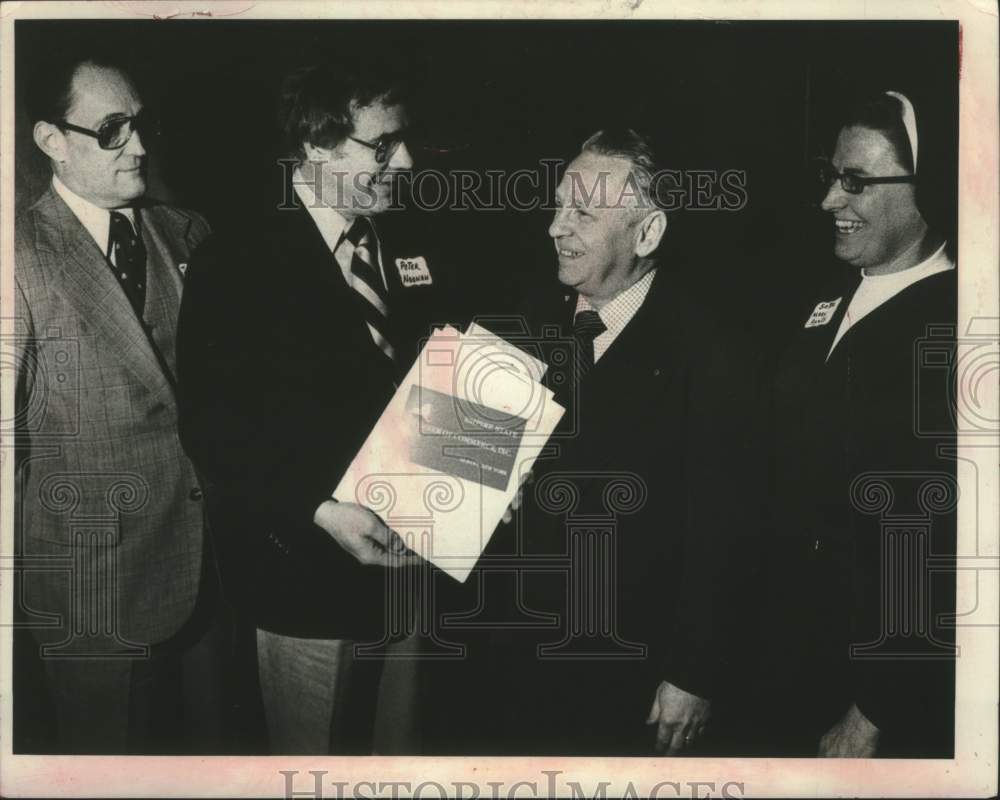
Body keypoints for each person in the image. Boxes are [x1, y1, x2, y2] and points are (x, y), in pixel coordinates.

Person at [428, 129, 764, 756]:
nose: (555, 227)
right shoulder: (522, 313)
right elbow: (446, 480)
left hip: (618, 672)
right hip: (499, 656)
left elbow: (725, 530)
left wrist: (693, 673)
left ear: (648, 233)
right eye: (559, 206)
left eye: (582, 212)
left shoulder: (711, 352)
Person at [176, 59, 454, 754]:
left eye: (405, 140)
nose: (406, 161)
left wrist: (485, 470)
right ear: (317, 145)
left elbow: (441, 373)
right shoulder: (235, 261)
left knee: (401, 762)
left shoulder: (414, 239)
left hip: (415, 572)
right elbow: (213, 429)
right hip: (307, 582)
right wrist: (320, 509)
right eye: (382, 145)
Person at [14, 54, 226, 753]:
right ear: (52, 140)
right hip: (92, 589)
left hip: (211, 573)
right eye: (111, 130)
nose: (138, 146)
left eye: (140, 124)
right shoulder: (18, 254)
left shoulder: (189, 231)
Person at [767, 90, 956, 757]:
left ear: (926, 186)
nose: (829, 201)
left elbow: (934, 542)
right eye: (830, 177)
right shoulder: (825, 292)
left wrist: (878, 705)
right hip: (789, 647)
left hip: (861, 678)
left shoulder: (953, 327)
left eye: (856, 182)